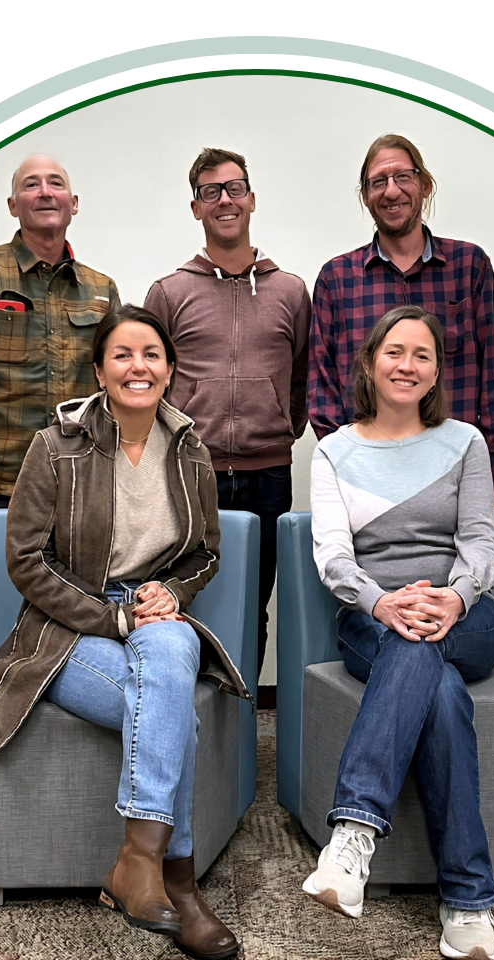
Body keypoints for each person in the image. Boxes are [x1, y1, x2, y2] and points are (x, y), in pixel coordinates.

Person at [0, 304, 249, 960]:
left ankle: (138, 864)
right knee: (174, 713)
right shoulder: (55, 445)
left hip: (155, 615)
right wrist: (114, 615)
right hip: (66, 627)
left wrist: (172, 591)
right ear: (99, 369)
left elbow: (205, 551)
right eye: (122, 354)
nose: (137, 366)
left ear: (170, 369)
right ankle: (180, 881)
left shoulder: (190, 449)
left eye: (151, 354)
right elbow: (26, 561)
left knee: (175, 645)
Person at [302, 305, 494, 960]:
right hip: (372, 620)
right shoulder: (334, 450)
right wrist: (384, 600)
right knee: (436, 685)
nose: (407, 364)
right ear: (369, 361)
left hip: (469, 615)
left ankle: (354, 833)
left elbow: (480, 537)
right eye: (395, 351)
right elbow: (333, 555)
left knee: (425, 642)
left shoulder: (466, 441)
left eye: (423, 354)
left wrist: (452, 595)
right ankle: (469, 901)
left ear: (436, 369)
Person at [308, 134, 494, 513]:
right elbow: (322, 387)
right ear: (365, 196)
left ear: (425, 186)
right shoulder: (337, 279)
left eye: (403, 177)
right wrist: (347, 468)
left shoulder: (469, 266)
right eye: (378, 182)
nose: (391, 192)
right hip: (368, 488)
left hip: (456, 478)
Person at [145, 148, 311, 672]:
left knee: (252, 606)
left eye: (235, 188)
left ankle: (237, 735)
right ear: (196, 208)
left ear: (252, 199)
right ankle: (191, 724)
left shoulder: (291, 291)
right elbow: (147, 382)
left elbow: (303, 377)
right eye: (210, 192)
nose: (225, 200)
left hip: (269, 479)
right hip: (191, 474)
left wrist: (276, 430)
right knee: (181, 602)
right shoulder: (169, 292)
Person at [0, 153, 119, 515]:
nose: (45, 192)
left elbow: (113, 389)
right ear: (13, 205)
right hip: (1, 486)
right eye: (31, 184)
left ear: (74, 204)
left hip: (81, 482)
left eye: (56, 183)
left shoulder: (102, 289)